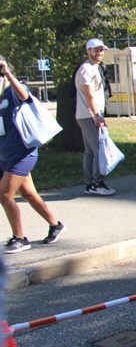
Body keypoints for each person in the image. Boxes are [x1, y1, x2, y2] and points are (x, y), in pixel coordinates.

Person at [0, 57, 64, 253]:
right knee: (28, 193)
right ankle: (55, 225)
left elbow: (24, 96)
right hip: (5, 154)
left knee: (4, 194)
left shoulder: (13, 90)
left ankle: (20, 238)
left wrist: (8, 74)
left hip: (22, 153)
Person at [75, 38, 115, 196]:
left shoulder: (95, 67)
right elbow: (89, 94)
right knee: (99, 149)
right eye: (96, 50)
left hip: (89, 114)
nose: (99, 53)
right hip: (90, 115)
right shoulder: (86, 69)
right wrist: (97, 115)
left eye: (101, 50)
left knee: (90, 151)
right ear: (88, 51)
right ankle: (97, 183)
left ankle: (91, 183)